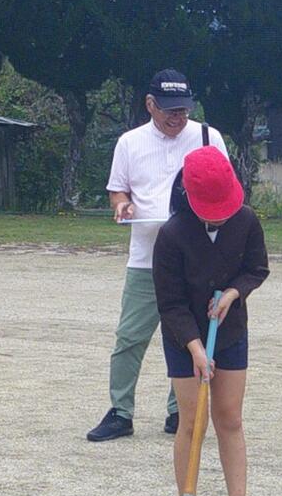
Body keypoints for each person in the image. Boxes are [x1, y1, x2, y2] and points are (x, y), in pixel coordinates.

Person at [86, 69, 229, 442]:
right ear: (150, 104)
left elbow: (225, 189)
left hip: (196, 257)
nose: (177, 117)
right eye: (169, 109)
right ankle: (120, 411)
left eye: (183, 109)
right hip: (146, 256)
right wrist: (122, 206)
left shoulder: (208, 138)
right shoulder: (129, 143)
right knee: (130, 336)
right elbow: (118, 190)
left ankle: (179, 410)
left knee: (191, 333)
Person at [152, 146, 270, 496]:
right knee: (192, 421)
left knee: (230, 417)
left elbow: (256, 268)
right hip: (183, 336)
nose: (219, 216)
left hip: (229, 330)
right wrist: (195, 349)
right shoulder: (172, 235)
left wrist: (234, 293)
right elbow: (170, 304)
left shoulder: (246, 220)